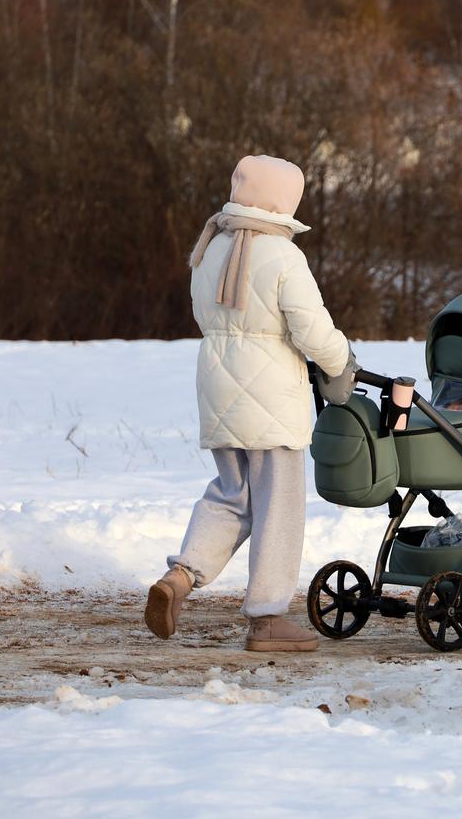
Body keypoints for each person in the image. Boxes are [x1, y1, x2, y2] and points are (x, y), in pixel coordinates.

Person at [144, 154, 352, 652]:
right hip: (272, 400)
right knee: (279, 506)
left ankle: (179, 577)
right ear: (285, 200)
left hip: (217, 391)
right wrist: (341, 359)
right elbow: (311, 329)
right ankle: (267, 619)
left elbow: (203, 314)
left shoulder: (211, 245)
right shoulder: (283, 256)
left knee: (231, 494)